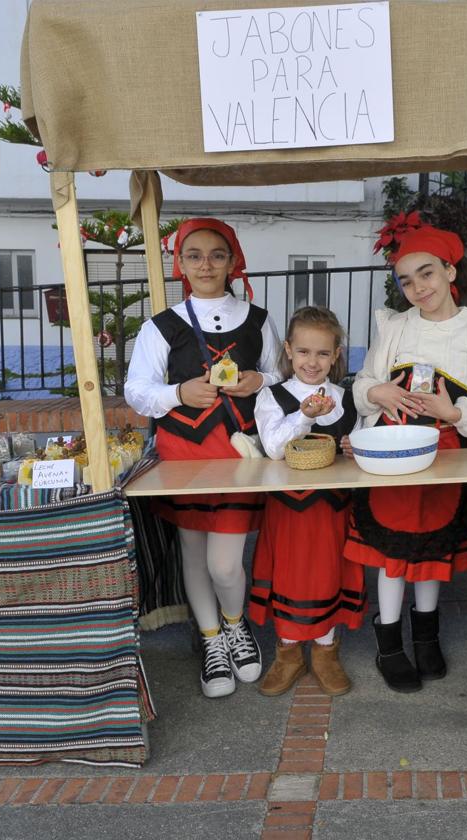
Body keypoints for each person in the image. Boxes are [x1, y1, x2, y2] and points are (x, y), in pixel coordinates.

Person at [345, 223, 467, 693]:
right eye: (407, 281)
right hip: (390, 457)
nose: (418, 288)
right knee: (393, 552)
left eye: (427, 274)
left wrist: (454, 411)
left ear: (450, 270)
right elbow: (362, 384)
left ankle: (427, 634)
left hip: (445, 456)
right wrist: (376, 390)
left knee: (432, 549)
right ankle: (390, 642)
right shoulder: (395, 327)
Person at [124, 218, 282, 699]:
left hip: (238, 455)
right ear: (181, 263)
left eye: (217, 254)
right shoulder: (161, 326)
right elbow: (137, 391)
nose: (206, 264)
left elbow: (280, 374)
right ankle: (212, 638)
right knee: (193, 551)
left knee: (226, 565)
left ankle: (236, 625)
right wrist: (177, 391)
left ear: (233, 261)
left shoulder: (258, 319)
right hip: (183, 456)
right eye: (194, 255)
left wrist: (258, 381)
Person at [249, 306, 365, 697]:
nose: (311, 362)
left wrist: (354, 447)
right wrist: (304, 416)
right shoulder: (273, 396)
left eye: (321, 353)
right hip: (288, 511)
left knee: (328, 574)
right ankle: (288, 653)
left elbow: (360, 449)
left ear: (335, 356)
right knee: (290, 576)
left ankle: (326, 651)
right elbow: (275, 449)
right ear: (288, 350)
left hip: (332, 509)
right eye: (303, 352)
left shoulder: (347, 399)